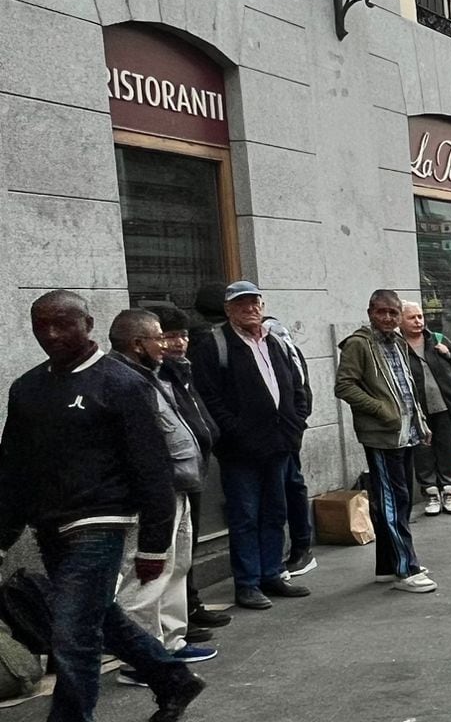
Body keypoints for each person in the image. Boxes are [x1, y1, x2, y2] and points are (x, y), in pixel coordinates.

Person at [0, 292, 209, 722]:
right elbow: (12, 471)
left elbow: (152, 470)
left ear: (87, 324)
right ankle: (174, 679)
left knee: (71, 635)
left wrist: (155, 545)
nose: (51, 335)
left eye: (62, 324)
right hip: (50, 528)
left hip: (102, 522)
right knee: (98, 618)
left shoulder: (121, 383)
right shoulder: (27, 389)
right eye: (41, 326)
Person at [191, 281, 311, 611]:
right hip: (240, 450)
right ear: (229, 309)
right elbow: (209, 398)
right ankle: (247, 583)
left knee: (276, 512)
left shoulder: (275, 341)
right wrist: (236, 432)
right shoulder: (215, 345)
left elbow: (295, 386)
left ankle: (272, 573)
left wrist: (295, 424)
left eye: (254, 302)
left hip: (279, 445)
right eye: (241, 304)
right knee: (245, 516)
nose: (250, 309)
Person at [105, 308, 213, 662]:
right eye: (158, 337)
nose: (165, 345)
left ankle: (171, 642)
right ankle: (144, 659)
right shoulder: (122, 381)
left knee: (175, 566)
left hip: (176, 487)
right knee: (147, 575)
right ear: (138, 343)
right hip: (151, 494)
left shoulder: (152, 374)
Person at [334, 290, 436, 594]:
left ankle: (387, 565)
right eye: (382, 312)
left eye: (393, 313)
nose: (388, 318)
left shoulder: (398, 342)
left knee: (399, 501)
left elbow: (406, 386)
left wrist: (420, 420)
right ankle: (407, 569)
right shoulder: (359, 345)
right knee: (393, 502)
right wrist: (379, 410)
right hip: (382, 436)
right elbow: (344, 386)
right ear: (370, 313)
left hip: (406, 433)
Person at [146, 303, 230, 640]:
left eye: (182, 335)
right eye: (170, 336)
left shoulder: (182, 369)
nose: (179, 343)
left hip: (193, 468)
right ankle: (172, 623)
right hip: (172, 476)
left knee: (187, 548)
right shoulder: (154, 375)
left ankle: (190, 606)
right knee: (170, 553)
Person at [262, 309, 319, 577]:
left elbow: (300, 388)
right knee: (288, 488)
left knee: (290, 486)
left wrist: (295, 427)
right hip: (277, 432)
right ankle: (297, 548)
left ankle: (301, 548)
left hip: (286, 432)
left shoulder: (279, 343)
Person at [401, 300, 451, 517]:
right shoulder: (398, 347)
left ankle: (448, 491)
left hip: (446, 404)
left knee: (447, 449)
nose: (418, 321)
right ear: (400, 321)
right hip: (417, 409)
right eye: (412, 317)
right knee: (423, 451)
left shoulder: (436, 339)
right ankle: (431, 493)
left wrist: (448, 353)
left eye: (420, 316)